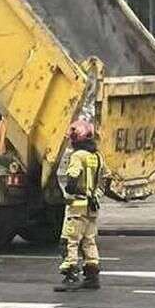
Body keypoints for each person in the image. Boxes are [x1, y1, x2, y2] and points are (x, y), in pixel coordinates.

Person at [55, 119, 102, 291]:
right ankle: (92, 277)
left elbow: (72, 178)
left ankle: (70, 276)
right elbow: (107, 179)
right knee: (89, 241)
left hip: (77, 206)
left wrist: (69, 190)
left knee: (70, 241)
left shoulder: (77, 156)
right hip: (92, 206)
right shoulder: (97, 156)